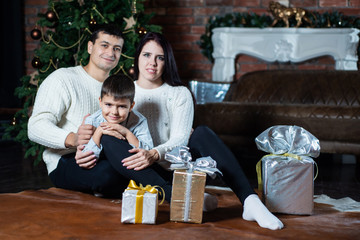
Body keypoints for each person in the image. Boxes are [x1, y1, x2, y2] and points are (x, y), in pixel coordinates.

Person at [77, 32, 284, 230]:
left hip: (179, 168)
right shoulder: (122, 91)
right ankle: (179, 197)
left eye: (160, 57)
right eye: (147, 55)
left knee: (202, 133)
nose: (152, 63)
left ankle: (250, 201)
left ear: (167, 62)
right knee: (110, 136)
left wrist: (154, 153)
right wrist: (85, 141)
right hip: (143, 171)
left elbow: (181, 139)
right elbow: (97, 126)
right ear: (137, 56)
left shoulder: (179, 93)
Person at [28, 24, 134, 196]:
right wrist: (74, 139)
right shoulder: (63, 79)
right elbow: (35, 127)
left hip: (107, 154)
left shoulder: (117, 89)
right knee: (110, 174)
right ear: (90, 47)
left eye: (117, 48)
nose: (110, 53)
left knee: (133, 167)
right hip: (66, 159)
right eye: (104, 45)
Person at [82, 73, 153, 159]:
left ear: (131, 106)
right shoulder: (92, 120)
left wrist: (127, 133)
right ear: (100, 102)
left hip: (126, 161)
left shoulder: (139, 121)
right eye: (108, 104)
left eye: (122, 106)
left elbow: (148, 152)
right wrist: (99, 132)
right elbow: (86, 157)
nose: (114, 112)